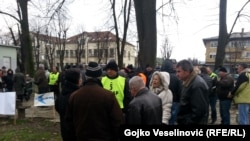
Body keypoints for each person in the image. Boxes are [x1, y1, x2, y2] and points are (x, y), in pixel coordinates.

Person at [65, 62, 124, 141]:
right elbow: (117, 121)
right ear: (100, 76)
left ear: (85, 76)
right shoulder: (108, 96)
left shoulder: (74, 96)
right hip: (104, 138)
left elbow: (69, 123)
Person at [175, 59, 209, 125]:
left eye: (179, 72)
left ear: (187, 71)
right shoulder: (188, 82)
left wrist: (187, 122)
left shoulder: (197, 85)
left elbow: (198, 111)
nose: (177, 74)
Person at [55, 68, 81, 141]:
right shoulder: (77, 95)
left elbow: (57, 107)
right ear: (77, 80)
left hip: (64, 129)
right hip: (76, 131)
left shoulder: (62, 94)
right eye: (80, 77)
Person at [161, 59, 182, 125]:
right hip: (174, 101)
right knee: (171, 121)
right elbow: (180, 90)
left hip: (161, 101)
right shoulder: (176, 77)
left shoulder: (158, 76)